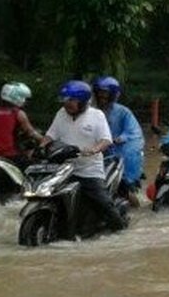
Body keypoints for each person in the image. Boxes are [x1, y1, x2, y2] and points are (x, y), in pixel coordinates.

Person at [42, 80, 126, 230]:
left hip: (89, 170)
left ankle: (120, 230)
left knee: (104, 203)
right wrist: (40, 147)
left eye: (72, 100)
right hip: (63, 168)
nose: (67, 104)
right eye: (65, 100)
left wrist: (94, 149)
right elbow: (50, 136)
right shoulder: (61, 114)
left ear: (82, 101)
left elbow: (106, 140)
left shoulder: (97, 115)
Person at [93, 76, 144, 207]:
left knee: (123, 189)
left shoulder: (123, 112)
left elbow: (134, 132)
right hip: (95, 154)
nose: (101, 96)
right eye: (100, 92)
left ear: (113, 95)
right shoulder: (91, 111)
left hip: (116, 156)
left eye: (105, 93)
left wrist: (120, 138)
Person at [0, 81, 42, 166]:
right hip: (11, 155)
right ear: (18, 97)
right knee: (36, 167)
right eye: (24, 98)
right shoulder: (18, 113)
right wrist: (45, 140)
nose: (25, 101)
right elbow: (31, 132)